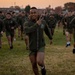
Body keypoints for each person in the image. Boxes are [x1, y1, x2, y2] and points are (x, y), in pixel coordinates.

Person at [23, 7, 52, 75]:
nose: (33, 14)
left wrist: (50, 38)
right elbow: (27, 30)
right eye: (31, 13)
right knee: (33, 64)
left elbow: (47, 30)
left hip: (40, 45)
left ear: (38, 13)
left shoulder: (43, 22)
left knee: (39, 62)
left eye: (34, 12)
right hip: (31, 46)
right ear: (29, 14)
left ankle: (42, 67)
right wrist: (36, 24)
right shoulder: (27, 23)